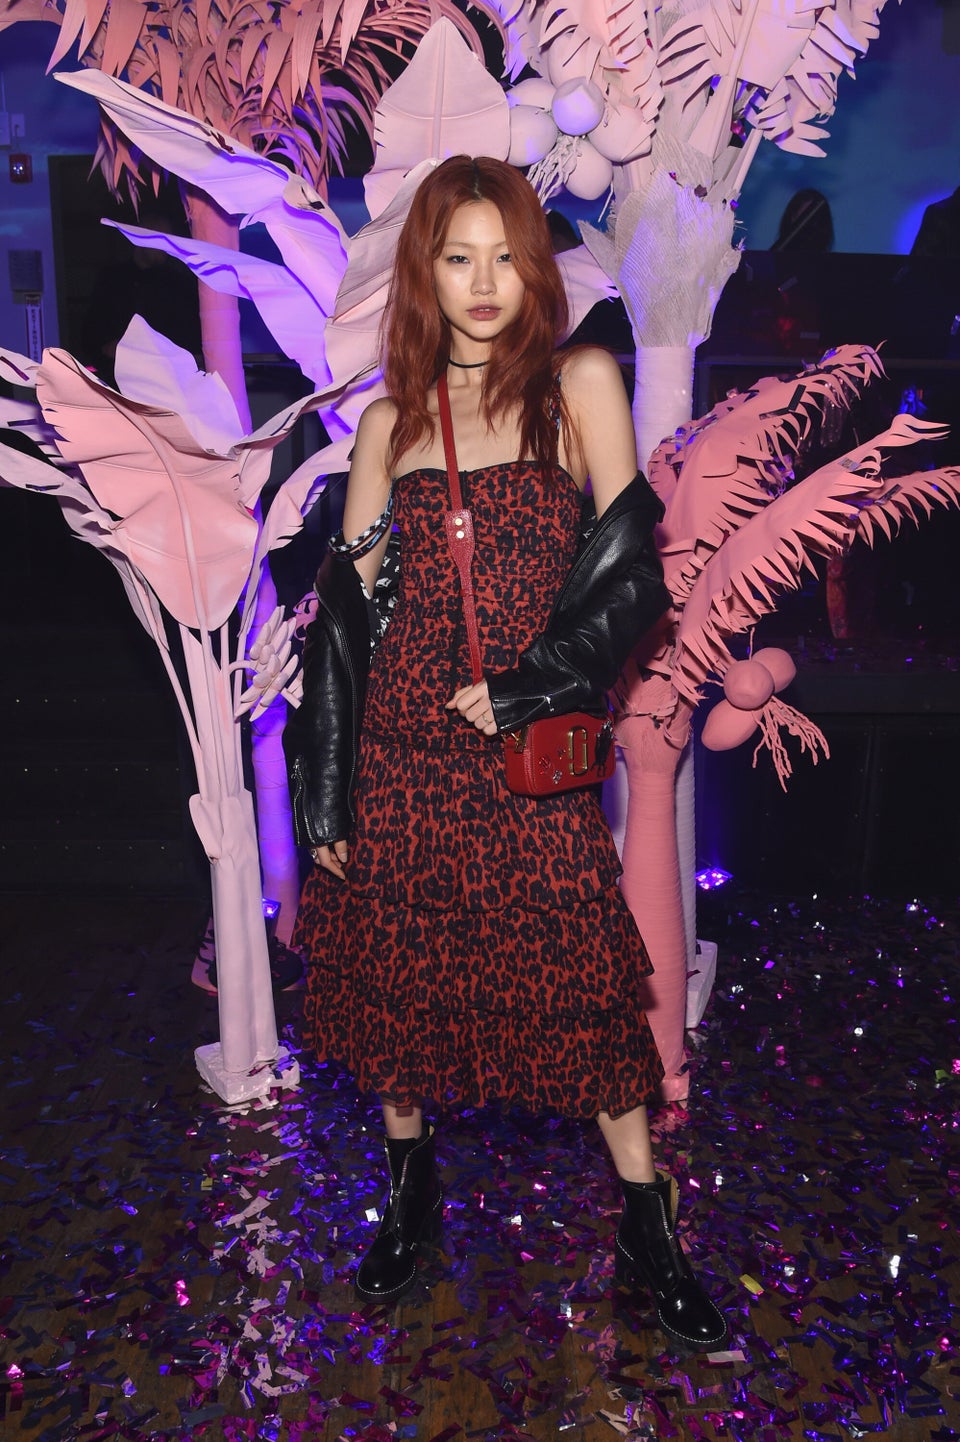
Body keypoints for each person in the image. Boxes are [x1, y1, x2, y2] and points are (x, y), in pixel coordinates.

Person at [284, 156, 727, 1352]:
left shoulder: (578, 380)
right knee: (398, 987)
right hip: (401, 760)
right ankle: (410, 1192)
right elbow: (350, 613)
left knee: (583, 992)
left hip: (526, 753)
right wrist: (322, 785)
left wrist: (536, 681)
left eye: (504, 255)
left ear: (533, 266)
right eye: (456, 256)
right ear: (425, 271)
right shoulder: (387, 420)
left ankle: (650, 1222)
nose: (484, 282)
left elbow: (635, 572)